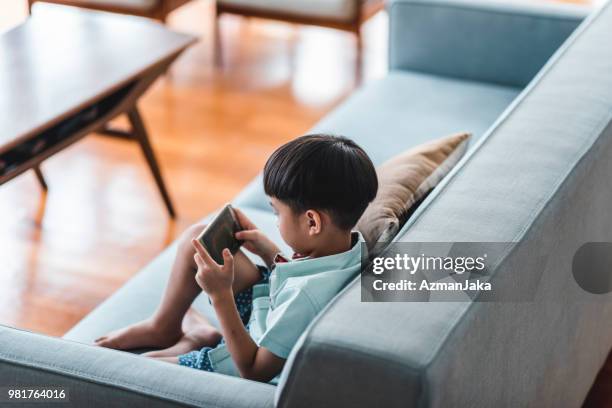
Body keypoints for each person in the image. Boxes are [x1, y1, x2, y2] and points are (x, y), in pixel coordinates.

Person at [95, 134, 378, 382]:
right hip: (268, 311)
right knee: (199, 241)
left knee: (133, 371)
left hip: (242, 356)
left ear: (312, 223)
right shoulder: (352, 247)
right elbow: (304, 283)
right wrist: (269, 253)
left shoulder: (304, 299)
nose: (275, 221)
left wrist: (220, 295)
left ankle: (197, 340)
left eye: (277, 212)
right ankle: (163, 327)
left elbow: (254, 370)